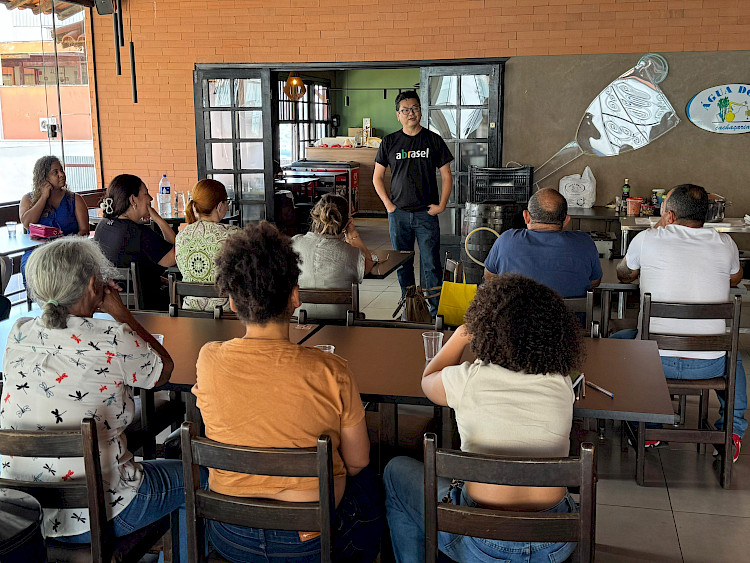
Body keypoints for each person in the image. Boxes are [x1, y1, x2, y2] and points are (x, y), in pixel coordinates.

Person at [0, 237, 201, 562]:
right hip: (103, 512)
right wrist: (122, 314)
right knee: (197, 476)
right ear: (94, 283)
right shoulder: (113, 338)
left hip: (25, 513)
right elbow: (162, 370)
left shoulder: (19, 332)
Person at [193, 222, 384, 562]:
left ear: (233, 303)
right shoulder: (332, 371)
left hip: (230, 534)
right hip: (307, 541)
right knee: (373, 484)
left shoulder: (208, 359)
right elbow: (358, 462)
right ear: (295, 296)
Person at [384, 273, 584, 563]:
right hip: (554, 539)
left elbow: (428, 378)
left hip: (482, 542)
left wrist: (460, 335)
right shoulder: (561, 383)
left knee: (394, 471)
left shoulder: (467, 380)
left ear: (483, 329)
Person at [615, 184, 747, 458]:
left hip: (653, 362)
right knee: (733, 355)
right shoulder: (725, 244)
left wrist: (658, 230)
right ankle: (731, 432)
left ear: (670, 215)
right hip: (709, 365)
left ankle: (646, 426)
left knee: (615, 344)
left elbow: (624, 274)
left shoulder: (647, 239)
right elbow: (735, 278)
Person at [373, 90, 453, 315]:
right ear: (398, 115)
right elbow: (377, 177)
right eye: (405, 110)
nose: (411, 113)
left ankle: (435, 311)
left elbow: (447, 175)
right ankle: (409, 307)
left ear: (421, 111)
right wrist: (389, 206)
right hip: (398, 214)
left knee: (431, 264)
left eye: (415, 108)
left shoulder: (433, 140)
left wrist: (442, 205)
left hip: (426, 214)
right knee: (402, 263)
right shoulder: (390, 142)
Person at [484, 188, 602, 297]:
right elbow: (594, 282)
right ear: (566, 220)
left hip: (517, 313)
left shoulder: (506, 240)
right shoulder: (584, 242)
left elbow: (490, 278)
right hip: (570, 313)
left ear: (526, 216)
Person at [94, 174, 176, 311]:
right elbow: (174, 257)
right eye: (146, 194)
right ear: (133, 199)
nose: (150, 199)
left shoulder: (102, 226)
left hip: (112, 303)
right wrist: (158, 218)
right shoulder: (138, 233)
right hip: (146, 306)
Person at [292, 193, 373, 320]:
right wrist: (352, 233)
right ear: (346, 223)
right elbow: (368, 264)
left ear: (316, 217)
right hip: (342, 322)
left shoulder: (295, 243)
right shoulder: (352, 253)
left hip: (300, 319)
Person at [175, 179, 241, 311]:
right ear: (220, 206)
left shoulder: (181, 236)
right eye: (226, 202)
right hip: (225, 312)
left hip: (189, 312)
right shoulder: (234, 235)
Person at [19, 155, 89, 278]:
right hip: (37, 253)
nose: (61, 174)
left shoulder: (75, 199)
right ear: (44, 177)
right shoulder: (28, 199)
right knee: (38, 270)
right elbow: (27, 223)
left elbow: (84, 230)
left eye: (61, 170)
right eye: (55, 172)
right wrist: (43, 197)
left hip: (69, 251)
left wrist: (68, 247)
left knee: (65, 268)